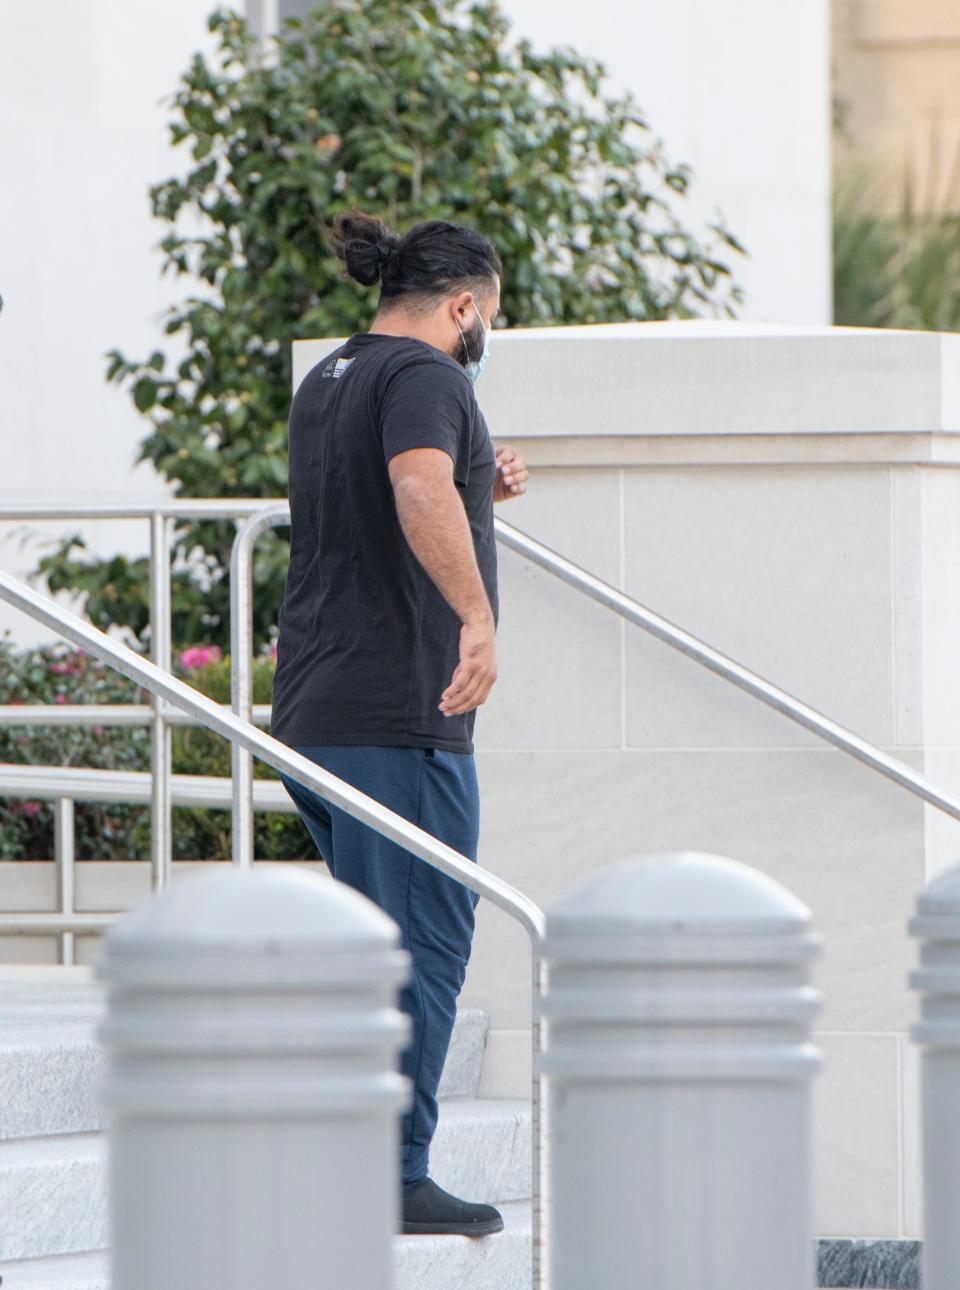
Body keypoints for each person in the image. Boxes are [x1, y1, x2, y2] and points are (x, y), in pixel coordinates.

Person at [270, 210, 529, 1237]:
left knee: (376, 948)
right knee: (424, 943)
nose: (482, 340)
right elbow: (416, 485)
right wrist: (477, 617)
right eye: (486, 319)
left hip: (319, 706)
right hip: (395, 714)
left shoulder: (335, 375)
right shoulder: (428, 379)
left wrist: (481, 483)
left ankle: (358, 1163)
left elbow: (404, 494)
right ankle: (396, 1175)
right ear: (463, 304)